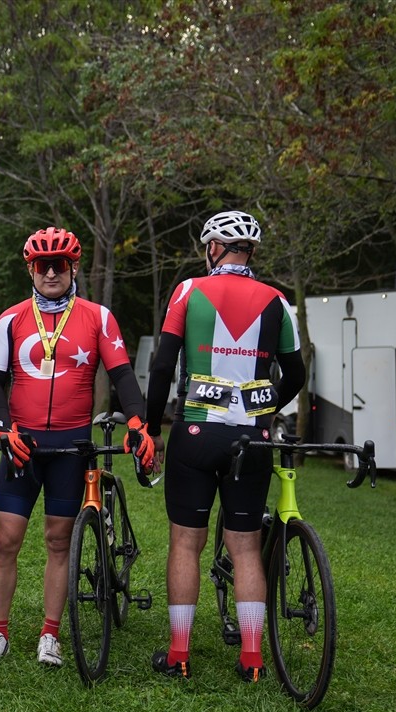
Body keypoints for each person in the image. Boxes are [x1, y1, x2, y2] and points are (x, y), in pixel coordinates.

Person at [0, 226, 154, 667]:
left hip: (72, 443)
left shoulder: (98, 317)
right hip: (23, 442)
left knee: (59, 541)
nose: (52, 272)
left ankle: (50, 633)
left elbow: (122, 375)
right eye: (43, 265)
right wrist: (3, 428)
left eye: (60, 264)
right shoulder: (11, 318)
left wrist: (138, 421)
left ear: (74, 267)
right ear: (32, 270)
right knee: (6, 539)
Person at [145, 210, 304, 682]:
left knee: (185, 543)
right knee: (246, 549)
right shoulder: (278, 301)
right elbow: (295, 375)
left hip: (195, 432)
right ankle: (252, 660)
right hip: (249, 437)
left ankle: (179, 655)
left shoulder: (189, 291)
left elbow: (160, 368)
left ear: (213, 247)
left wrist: (152, 428)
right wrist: (263, 406)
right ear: (250, 252)